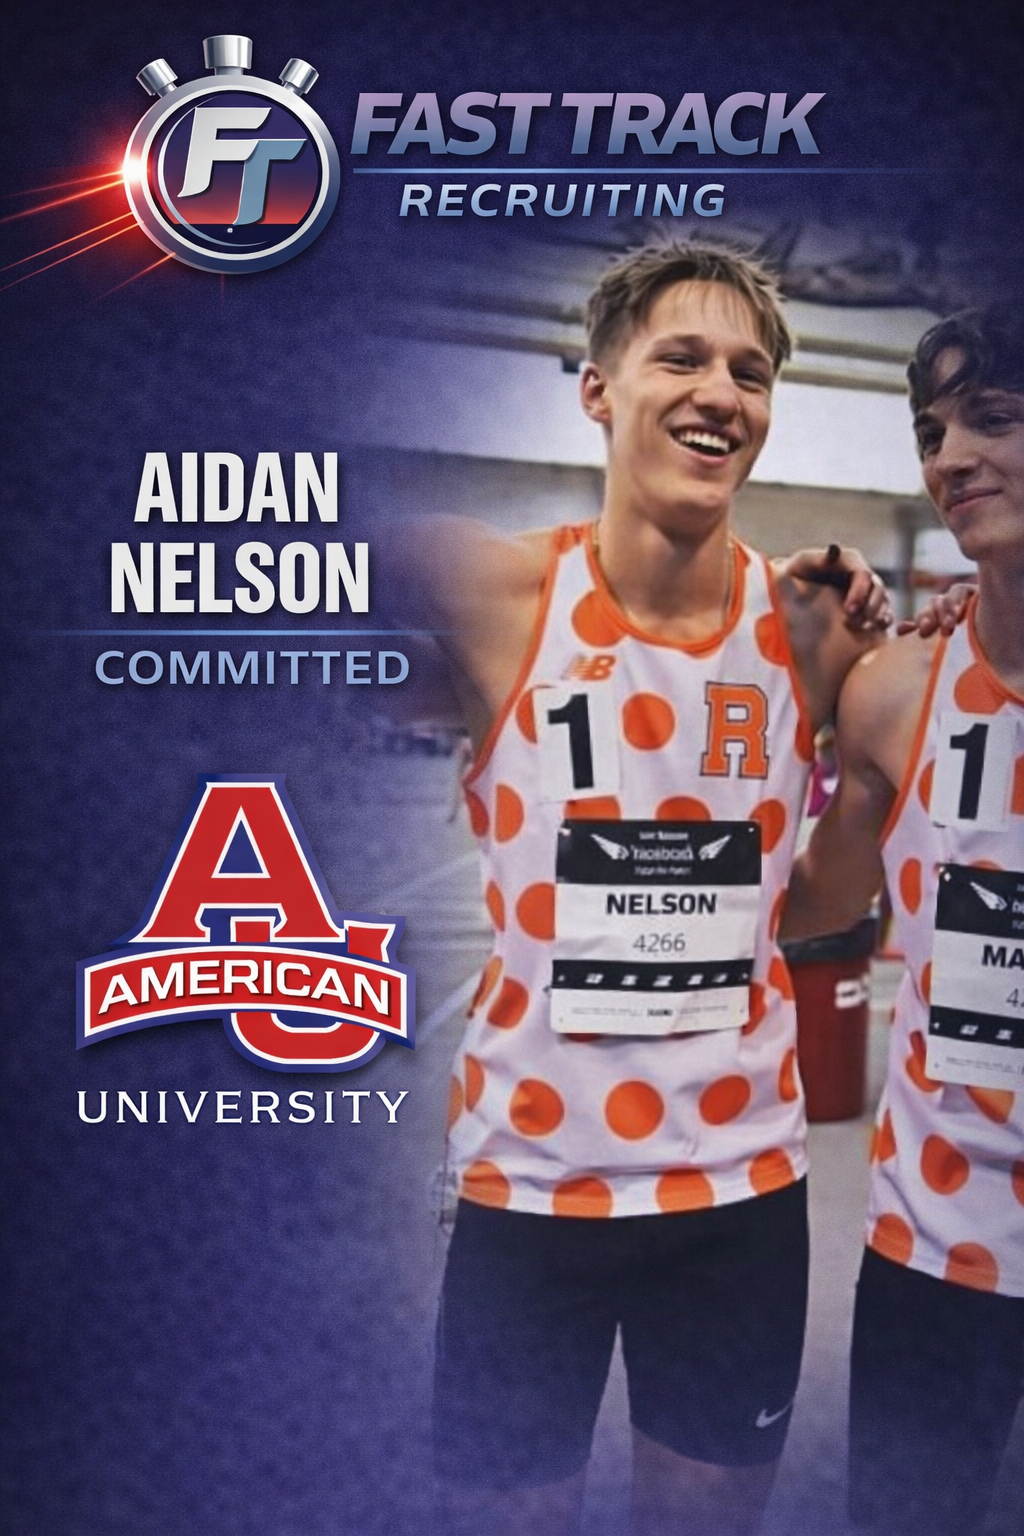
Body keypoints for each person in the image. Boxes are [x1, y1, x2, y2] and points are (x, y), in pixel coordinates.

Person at [386, 241, 890, 1536]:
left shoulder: (810, 629)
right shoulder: (493, 590)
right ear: (598, 388)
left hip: (740, 1198)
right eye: (682, 355)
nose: (722, 389)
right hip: (532, 1194)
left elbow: (815, 916)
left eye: (752, 370)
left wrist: (870, 758)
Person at [782, 304, 1024, 1536]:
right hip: (937, 1238)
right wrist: (817, 711)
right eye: (933, 430)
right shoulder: (899, 691)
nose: (948, 458)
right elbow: (819, 909)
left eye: (991, 417)